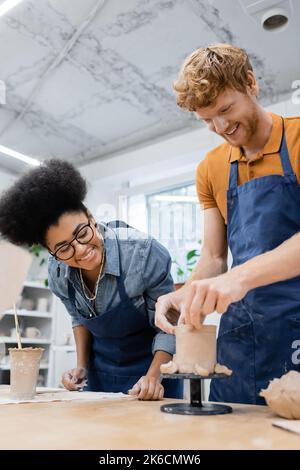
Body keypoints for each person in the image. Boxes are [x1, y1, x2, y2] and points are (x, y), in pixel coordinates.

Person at [155, 43, 300, 404]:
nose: (221, 126)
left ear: (251, 84)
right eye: (207, 119)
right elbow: (214, 257)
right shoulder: (210, 168)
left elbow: (228, 273)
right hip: (242, 332)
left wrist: (236, 279)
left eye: (225, 109)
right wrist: (188, 293)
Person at [0, 160, 183, 400]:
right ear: (50, 251)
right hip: (101, 378)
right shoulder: (58, 272)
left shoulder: (142, 253)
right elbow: (79, 317)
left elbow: (169, 326)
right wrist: (81, 367)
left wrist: (153, 377)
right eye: (64, 248)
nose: (81, 249)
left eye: (82, 233)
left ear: (91, 217)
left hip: (154, 375)